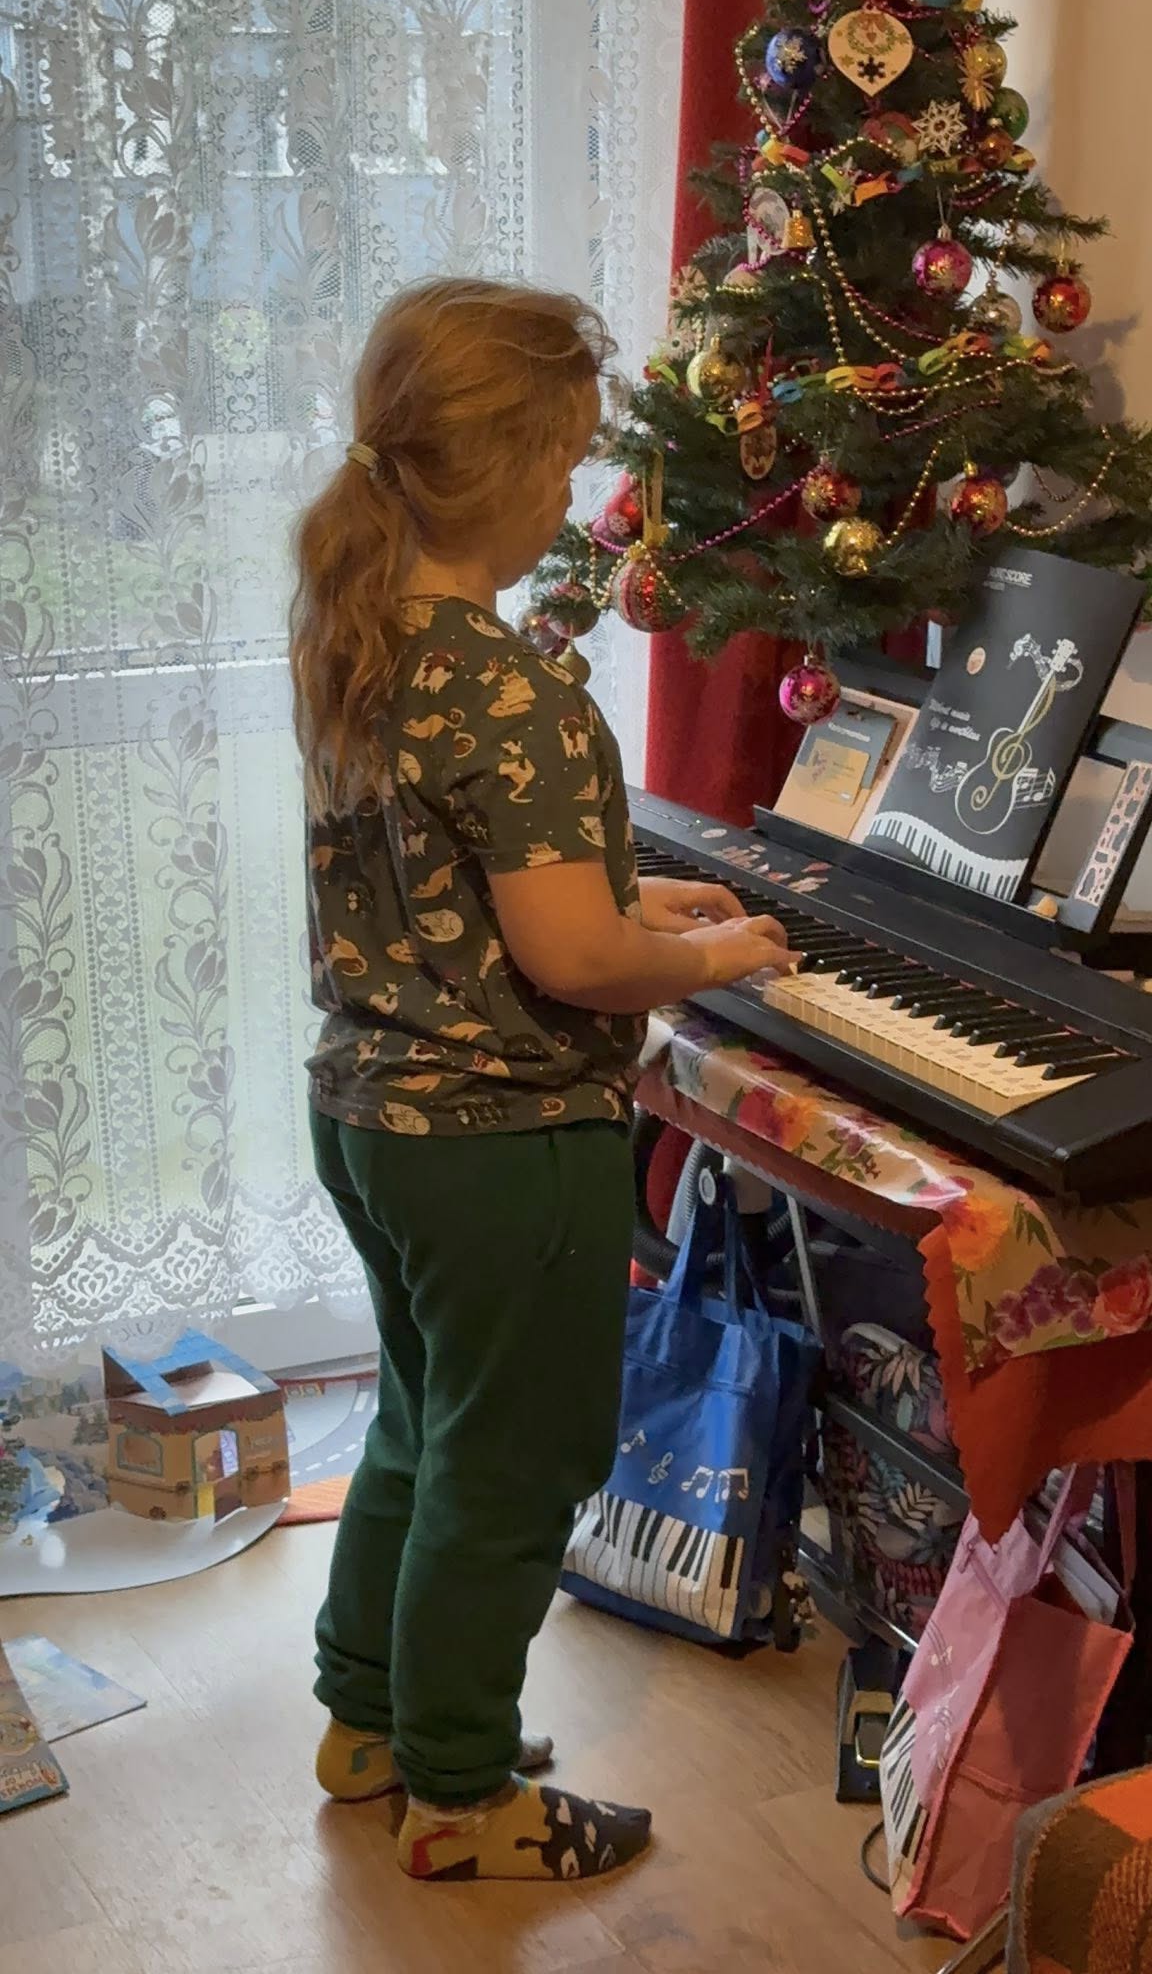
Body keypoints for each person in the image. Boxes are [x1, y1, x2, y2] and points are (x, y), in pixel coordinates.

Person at [288, 277, 791, 1885]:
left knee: (423, 1425)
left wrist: (647, 901)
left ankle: (370, 1720)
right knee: (516, 1466)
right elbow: (570, 960)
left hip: (372, 1118)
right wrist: (718, 955)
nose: (572, 494)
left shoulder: (364, 641)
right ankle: (460, 1795)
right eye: (566, 460)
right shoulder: (515, 690)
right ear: (502, 469)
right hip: (503, 1145)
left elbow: (471, 892)